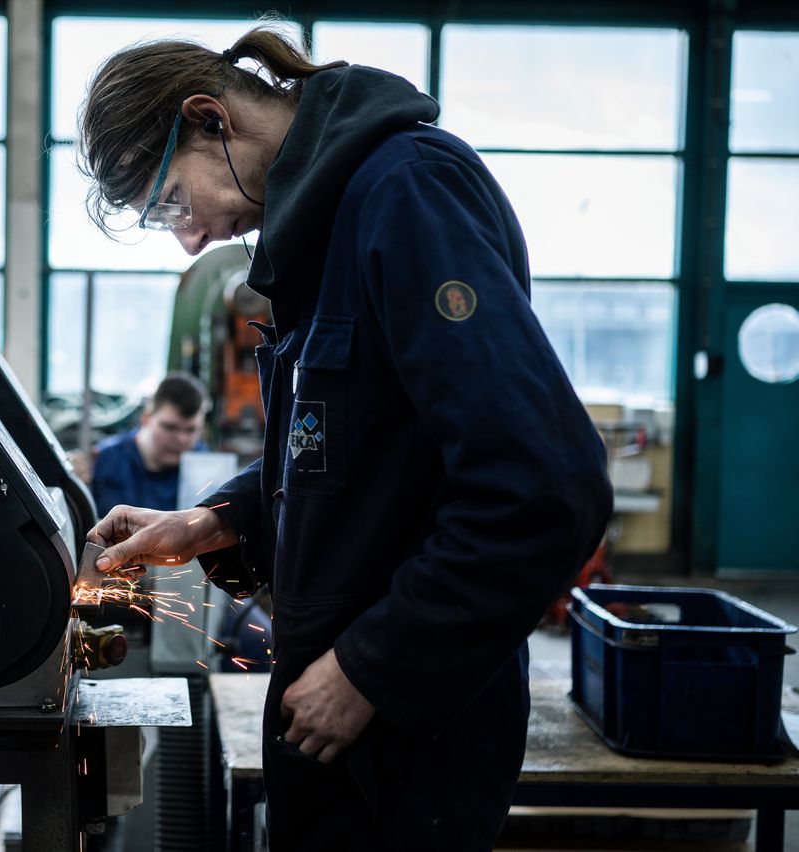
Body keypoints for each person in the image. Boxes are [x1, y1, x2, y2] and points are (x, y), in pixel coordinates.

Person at [77, 25, 613, 851]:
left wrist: (376, 667)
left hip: (407, 731)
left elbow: (546, 486)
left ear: (210, 118)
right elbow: (354, 448)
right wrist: (214, 523)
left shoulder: (407, 195)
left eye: (173, 202)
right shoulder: (320, 229)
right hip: (338, 709)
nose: (190, 239)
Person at [89, 372, 208, 515]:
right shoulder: (103, 460)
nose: (181, 439)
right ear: (146, 418)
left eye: (191, 430)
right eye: (170, 427)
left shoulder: (206, 470)